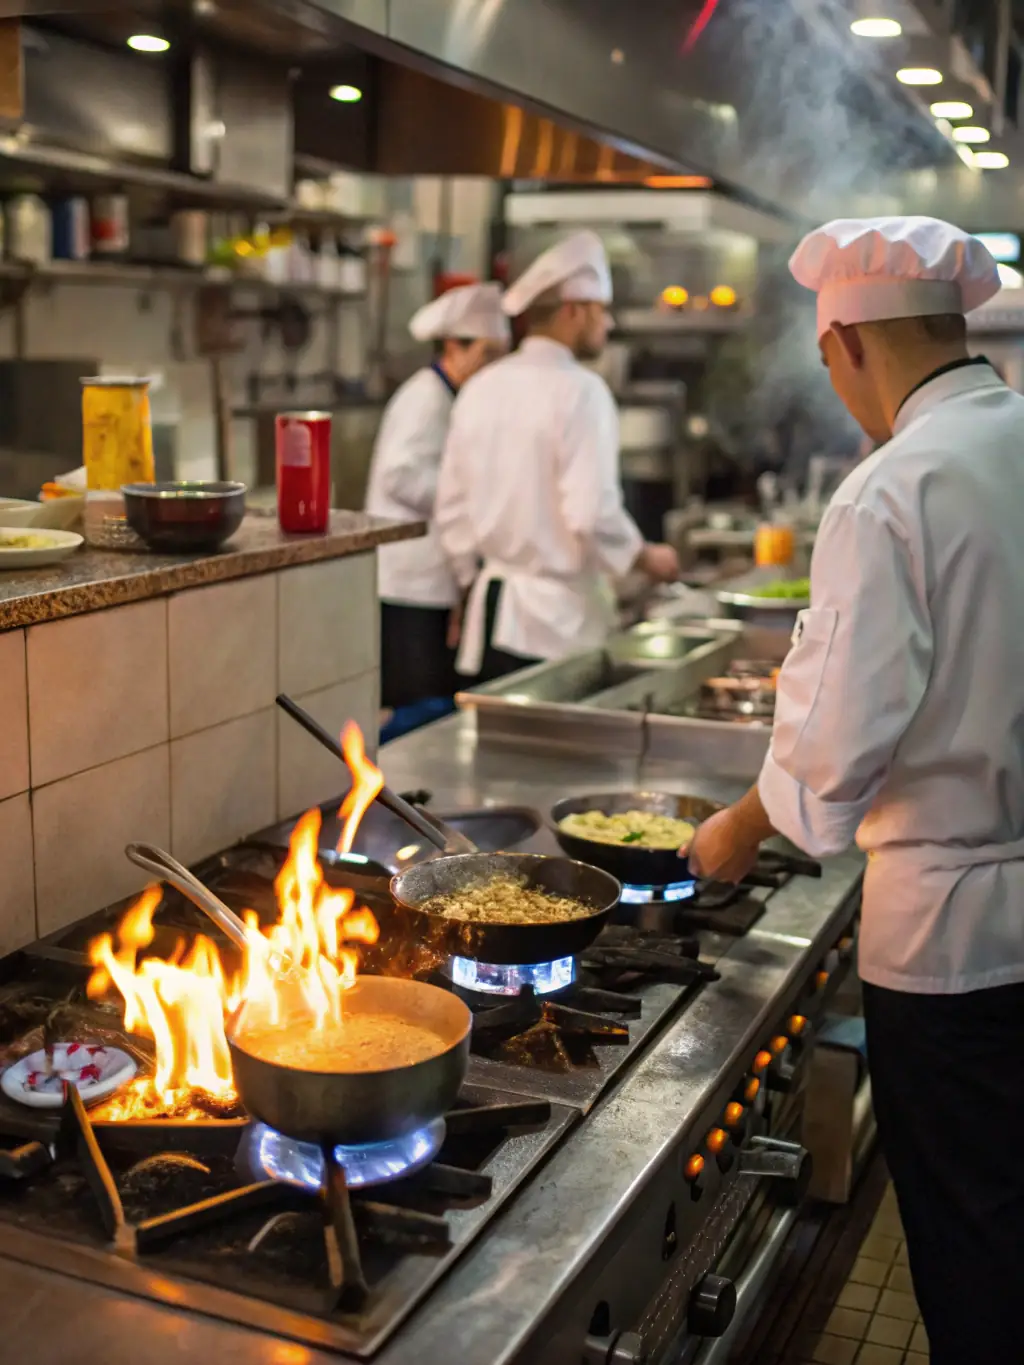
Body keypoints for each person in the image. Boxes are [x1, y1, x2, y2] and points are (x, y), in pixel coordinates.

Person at [685, 216, 1023, 1364]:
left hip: (952, 943)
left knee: (973, 1241)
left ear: (848, 345)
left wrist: (735, 828)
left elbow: (833, 755)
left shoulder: (889, 493)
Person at [435, 231, 679, 683]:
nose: (606, 325)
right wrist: (645, 557)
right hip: (556, 628)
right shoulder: (582, 392)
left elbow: (451, 509)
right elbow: (589, 514)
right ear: (574, 311)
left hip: (489, 622)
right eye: (600, 312)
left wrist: (467, 582)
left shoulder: (481, 387)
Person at [365, 282, 509, 713]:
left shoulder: (455, 397)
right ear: (453, 346)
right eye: (486, 355)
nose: (491, 369)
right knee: (416, 701)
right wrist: (464, 501)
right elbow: (398, 475)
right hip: (409, 579)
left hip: (431, 577)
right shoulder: (425, 398)